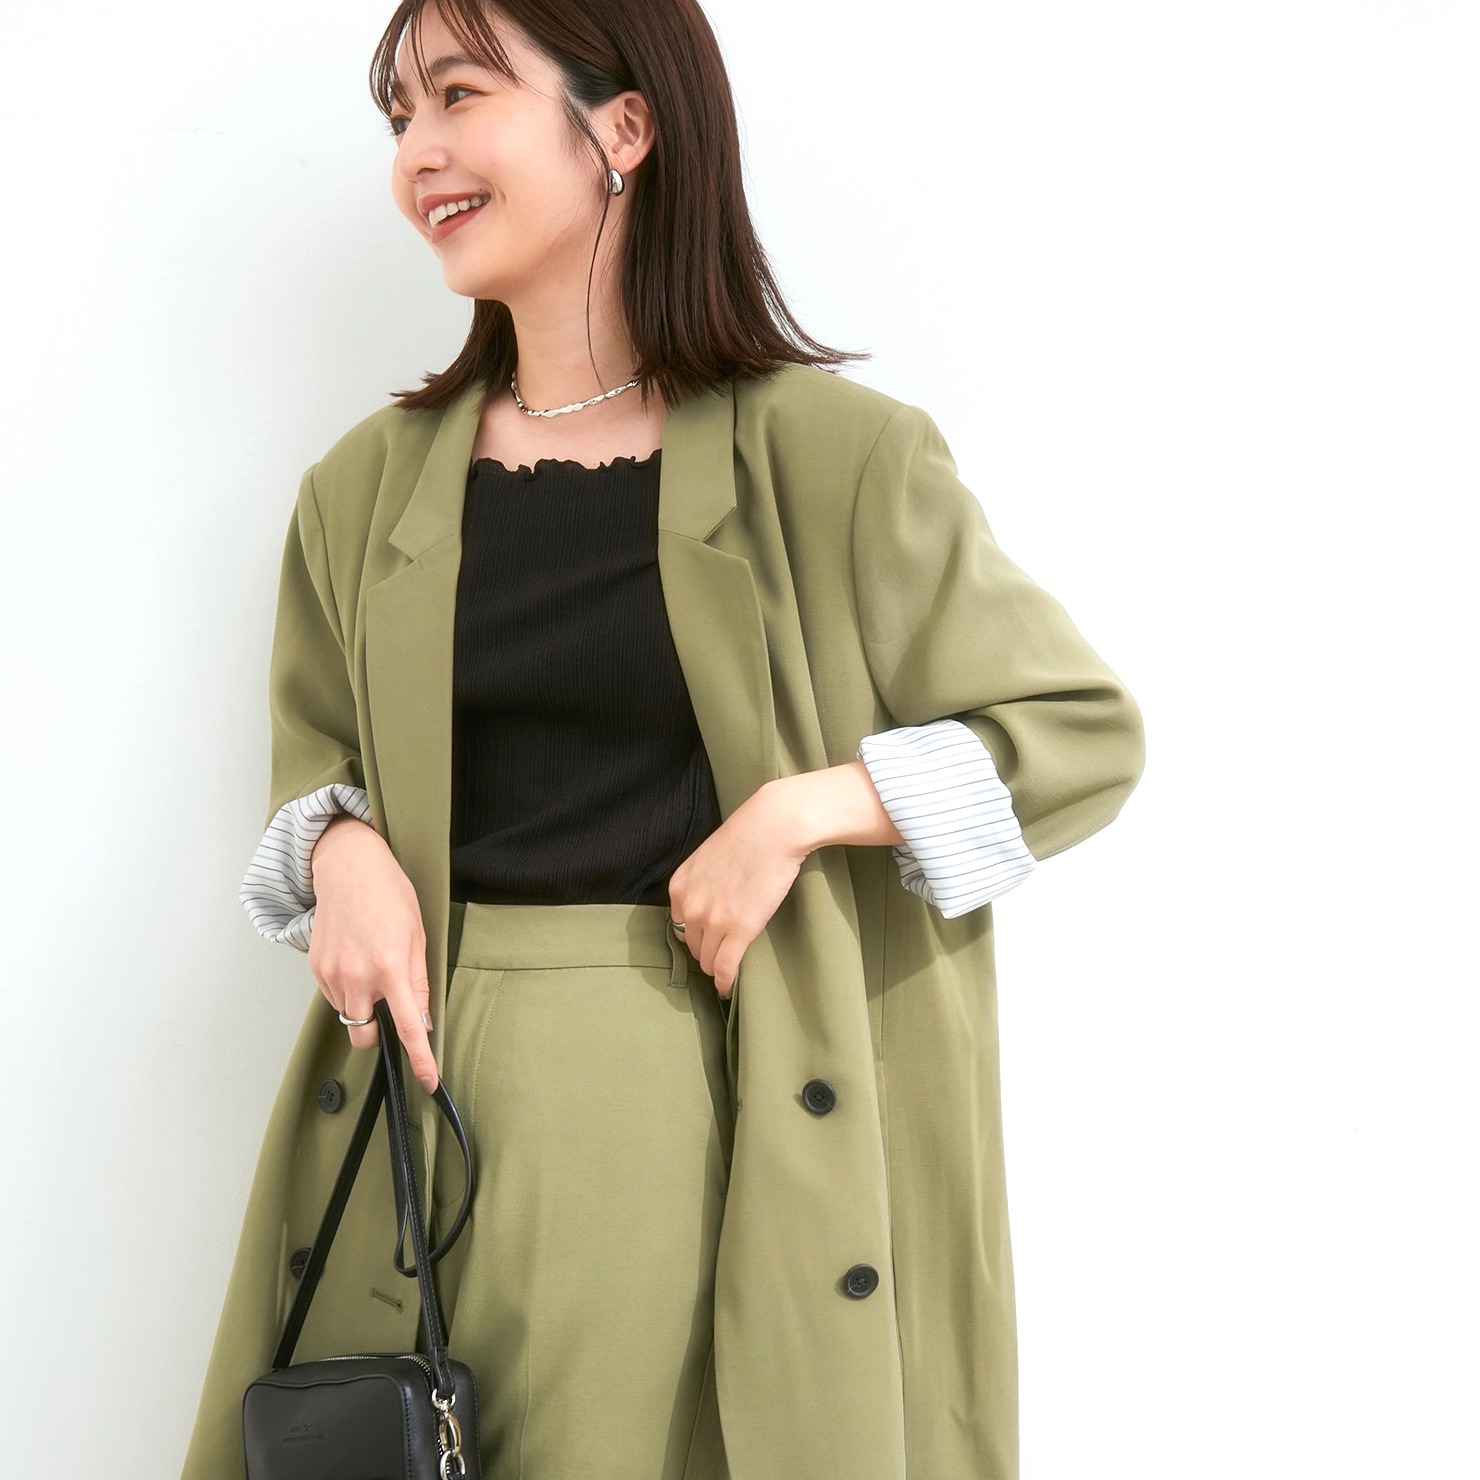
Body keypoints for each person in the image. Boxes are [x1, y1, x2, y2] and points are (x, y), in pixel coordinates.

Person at [181, 1, 1145, 1477]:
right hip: (427, 1117)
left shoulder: (837, 459)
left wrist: (802, 812)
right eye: (399, 114)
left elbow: (1077, 734)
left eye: (460, 95)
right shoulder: (363, 491)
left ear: (622, 127)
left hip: (707, 1107)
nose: (418, 152)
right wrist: (342, 849)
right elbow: (316, 766)